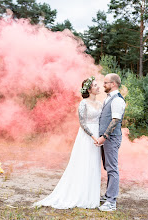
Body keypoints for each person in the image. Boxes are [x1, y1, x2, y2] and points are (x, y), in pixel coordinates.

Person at [33, 76, 103, 209]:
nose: (98, 87)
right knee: (83, 164)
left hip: (98, 137)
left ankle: (91, 195)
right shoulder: (83, 103)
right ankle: (79, 194)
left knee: (93, 164)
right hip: (87, 137)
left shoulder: (100, 104)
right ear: (88, 89)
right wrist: (94, 137)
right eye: (95, 85)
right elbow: (82, 123)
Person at [96, 73, 126, 212]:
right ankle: (108, 195)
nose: (104, 85)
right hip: (107, 138)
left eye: (106, 82)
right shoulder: (109, 98)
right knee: (108, 168)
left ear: (113, 84)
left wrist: (104, 136)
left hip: (111, 138)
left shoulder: (118, 100)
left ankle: (111, 202)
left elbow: (115, 120)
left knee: (112, 169)